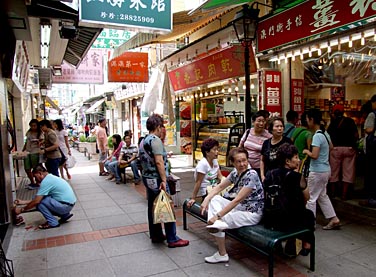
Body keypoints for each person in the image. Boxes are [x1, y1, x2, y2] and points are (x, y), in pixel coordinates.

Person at [200, 147, 264, 263]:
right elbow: (219, 187)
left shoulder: (252, 175)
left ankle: (222, 253)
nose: (242, 164)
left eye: (244, 160)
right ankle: (221, 248)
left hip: (251, 213)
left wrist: (217, 216)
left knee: (219, 221)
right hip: (240, 208)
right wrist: (206, 199)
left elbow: (237, 200)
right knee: (215, 199)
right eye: (238, 161)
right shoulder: (235, 172)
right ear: (233, 163)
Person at [139, 114, 189, 248]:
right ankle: (172, 238)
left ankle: (156, 234)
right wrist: (164, 180)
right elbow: (159, 162)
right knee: (167, 206)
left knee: (153, 207)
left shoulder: (143, 140)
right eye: (162, 126)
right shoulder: (155, 140)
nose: (163, 129)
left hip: (148, 178)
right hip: (157, 179)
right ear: (158, 126)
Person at [263, 143, 315, 256]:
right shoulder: (297, 177)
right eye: (296, 157)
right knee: (308, 215)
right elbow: (307, 197)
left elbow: (265, 193)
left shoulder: (270, 174)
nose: (298, 160)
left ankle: (284, 244)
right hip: (288, 221)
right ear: (287, 161)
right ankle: (306, 245)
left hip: (270, 218)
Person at [303, 109, 340, 230]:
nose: (307, 121)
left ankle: (309, 224)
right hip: (326, 169)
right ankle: (333, 219)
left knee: (311, 198)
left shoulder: (317, 136)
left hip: (317, 171)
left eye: (308, 119)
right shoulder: (325, 133)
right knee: (322, 195)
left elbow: (314, 155)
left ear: (312, 120)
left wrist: (306, 151)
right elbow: (331, 147)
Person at [14, 165, 76, 229]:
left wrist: (22, 210)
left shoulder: (46, 182)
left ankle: (53, 222)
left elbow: (37, 201)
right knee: (40, 198)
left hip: (64, 206)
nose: (35, 180)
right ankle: (65, 215)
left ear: (40, 173)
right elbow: (39, 198)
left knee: (39, 203)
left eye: (35, 177)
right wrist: (23, 202)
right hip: (68, 204)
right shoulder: (51, 177)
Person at [327, 104, 358, 200]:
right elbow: (356, 135)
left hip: (335, 149)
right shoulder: (350, 121)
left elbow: (328, 136)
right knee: (348, 172)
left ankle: (332, 193)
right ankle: (344, 195)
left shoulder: (332, 123)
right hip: (349, 149)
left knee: (333, 171)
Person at [187, 138, 223, 208]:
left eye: (217, 149)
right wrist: (193, 198)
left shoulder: (215, 161)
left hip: (215, 189)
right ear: (207, 152)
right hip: (206, 192)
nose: (217, 152)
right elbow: (198, 182)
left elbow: (220, 176)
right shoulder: (203, 164)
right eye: (215, 150)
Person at [239, 111, 272, 178]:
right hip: (245, 167)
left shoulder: (268, 136)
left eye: (263, 121)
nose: (261, 123)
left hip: (259, 169)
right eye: (259, 121)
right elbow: (240, 147)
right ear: (253, 122)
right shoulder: (248, 132)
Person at [260, 117, 292, 182]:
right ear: (271, 129)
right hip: (269, 177)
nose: (280, 129)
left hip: (284, 178)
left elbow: (294, 159)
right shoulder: (266, 143)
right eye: (277, 126)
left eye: (281, 126)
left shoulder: (287, 142)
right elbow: (262, 160)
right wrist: (262, 176)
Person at [359, 95, 376, 208]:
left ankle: (371, 199)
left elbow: (368, 129)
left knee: (371, 172)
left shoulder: (372, 114)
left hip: (373, 148)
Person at [22, 119, 43, 189]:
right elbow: (26, 142)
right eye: (31, 126)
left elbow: (42, 142)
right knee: (27, 168)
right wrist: (23, 150)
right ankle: (32, 182)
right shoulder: (29, 132)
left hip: (35, 151)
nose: (33, 127)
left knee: (36, 168)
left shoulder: (40, 133)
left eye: (34, 126)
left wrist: (39, 141)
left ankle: (37, 182)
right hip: (28, 152)